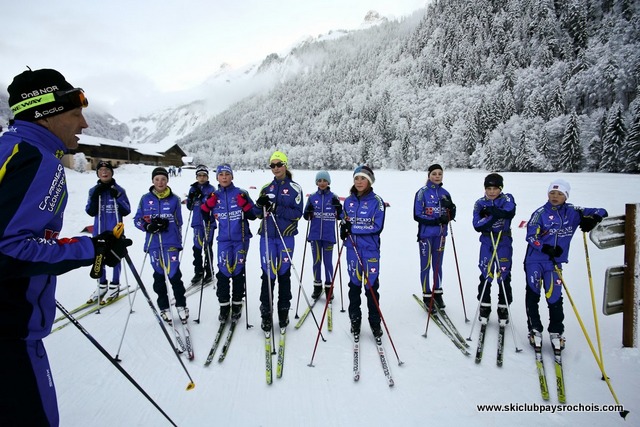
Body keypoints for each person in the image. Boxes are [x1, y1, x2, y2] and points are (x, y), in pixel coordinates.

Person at [0, 68, 130, 427]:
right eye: (75, 114)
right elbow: (12, 249)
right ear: (46, 113)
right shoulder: (36, 159)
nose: (84, 123)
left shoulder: (7, 150)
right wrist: (92, 249)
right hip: (11, 331)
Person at [524, 179, 607, 350]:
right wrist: (544, 247)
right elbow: (531, 236)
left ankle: (556, 331)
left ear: (566, 196)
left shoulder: (574, 211)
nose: (555, 196)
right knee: (533, 294)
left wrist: (593, 219)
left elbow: (602, 210)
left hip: (555, 263)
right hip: (535, 260)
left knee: (554, 297)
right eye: (552, 193)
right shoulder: (540, 213)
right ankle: (535, 329)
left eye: (560, 194)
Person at [252, 151, 303, 331]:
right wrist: (259, 205)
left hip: (285, 238)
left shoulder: (295, 188)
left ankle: (283, 313)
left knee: (283, 274)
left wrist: (277, 208)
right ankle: (266, 314)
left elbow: (298, 214)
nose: (276, 168)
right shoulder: (266, 187)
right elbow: (257, 214)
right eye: (272, 165)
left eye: (279, 164)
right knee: (267, 275)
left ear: (285, 165)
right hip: (266, 237)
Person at [201, 164, 257, 322]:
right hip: (224, 240)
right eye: (221, 174)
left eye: (227, 174)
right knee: (224, 272)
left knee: (238, 271)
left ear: (232, 176)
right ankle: (224, 306)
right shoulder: (214, 195)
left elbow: (253, 215)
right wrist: (207, 206)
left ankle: (237, 303)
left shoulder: (241, 193)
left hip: (241, 239)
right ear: (217, 177)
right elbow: (205, 216)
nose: (224, 177)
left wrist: (244, 205)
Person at [133, 167, 189, 324]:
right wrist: (147, 226)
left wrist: (171, 230)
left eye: (163, 179)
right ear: (152, 181)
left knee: (174, 275)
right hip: (154, 244)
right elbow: (137, 219)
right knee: (159, 276)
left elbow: (179, 222)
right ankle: (164, 307)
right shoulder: (145, 199)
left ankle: (181, 305)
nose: (160, 182)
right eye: (157, 179)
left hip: (171, 242)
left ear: (167, 180)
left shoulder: (175, 199)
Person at [339, 165, 386, 338]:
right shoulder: (349, 201)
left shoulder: (377, 202)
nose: (359, 182)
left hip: (370, 250)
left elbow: (377, 226)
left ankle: (375, 323)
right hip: (352, 249)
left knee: (371, 288)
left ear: (370, 181)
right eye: (356, 178)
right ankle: (355, 320)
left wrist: (353, 228)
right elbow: (345, 220)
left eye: (363, 178)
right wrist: (343, 228)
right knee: (354, 287)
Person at [472, 173, 516, 324]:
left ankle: (503, 308)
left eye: (495, 188)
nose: (491, 192)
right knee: (486, 272)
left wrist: (490, 212)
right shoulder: (479, 203)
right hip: (487, 241)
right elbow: (477, 225)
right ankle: (484, 306)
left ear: (500, 188)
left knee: (504, 273)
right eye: (488, 188)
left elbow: (509, 212)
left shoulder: (507, 198)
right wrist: (495, 216)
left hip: (503, 241)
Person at [85, 160, 131, 304]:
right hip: (99, 230)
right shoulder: (94, 190)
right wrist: (94, 198)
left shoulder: (119, 190)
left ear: (112, 172)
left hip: (115, 230)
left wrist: (117, 197)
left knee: (115, 257)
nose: (104, 172)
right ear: (97, 173)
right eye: (101, 170)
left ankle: (115, 284)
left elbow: (126, 210)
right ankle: (102, 284)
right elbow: (90, 211)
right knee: (99, 257)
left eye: (107, 170)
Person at [412, 163, 456, 311]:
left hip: (441, 234)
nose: (437, 176)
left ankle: (437, 293)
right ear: (429, 175)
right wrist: (436, 220)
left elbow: (450, 215)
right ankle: (426, 294)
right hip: (426, 235)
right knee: (426, 265)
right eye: (434, 174)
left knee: (438, 264)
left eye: (440, 174)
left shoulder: (445, 193)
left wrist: (451, 209)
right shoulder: (422, 192)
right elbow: (417, 215)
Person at [303, 170, 342, 300]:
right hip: (314, 236)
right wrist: (308, 212)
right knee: (316, 262)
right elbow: (306, 216)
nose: (322, 183)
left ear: (328, 182)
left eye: (325, 180)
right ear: (316, 182)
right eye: (319, 181)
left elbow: (341, 216)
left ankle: (329, 288)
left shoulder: (334, 197)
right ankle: (317, 287)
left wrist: (339, 209)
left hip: (329, 236)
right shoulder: (312, 197)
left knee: (328, 262)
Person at [185, 165, 215, 287]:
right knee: (197, 248)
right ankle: (198, 271)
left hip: (208, 222)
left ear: (207, 177)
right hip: (197, 222)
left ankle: (209, 271)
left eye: (204, 175)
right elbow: (189, 207)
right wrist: (191, 198)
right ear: (196, 177)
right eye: (199, 175)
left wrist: (203, 198)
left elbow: (213, 205)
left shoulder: (211, 188)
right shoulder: (192, 189)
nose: (202, 178)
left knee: (207, 247)